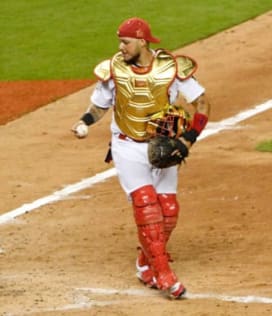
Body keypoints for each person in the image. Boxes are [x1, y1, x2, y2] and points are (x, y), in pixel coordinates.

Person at [71, 17, 211, 299]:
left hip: (162, 145)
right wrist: (84, 121)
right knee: (146, 204)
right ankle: (163, 274)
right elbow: (99, 107)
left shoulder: (170, 68)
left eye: (125, 41)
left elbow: (203, 103)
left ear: (142, 41)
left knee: (168, 211)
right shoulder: (114, 70)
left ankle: (145, 261)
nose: (120, 47)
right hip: (127, 147)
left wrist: (188, 138)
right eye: (120, 42)